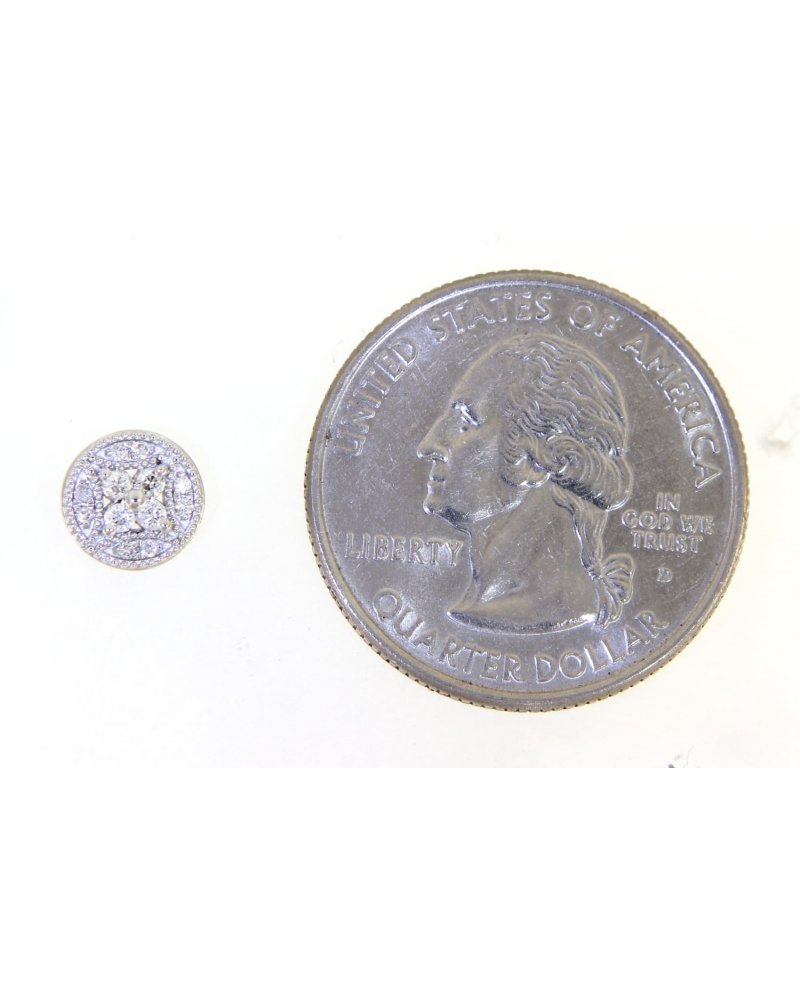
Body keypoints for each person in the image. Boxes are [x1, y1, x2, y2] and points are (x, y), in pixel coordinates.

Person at [417, 332, 634, 633]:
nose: (428, 445)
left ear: (537, 458)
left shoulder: (553, 609)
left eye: (466, 422)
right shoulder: (479, 604)